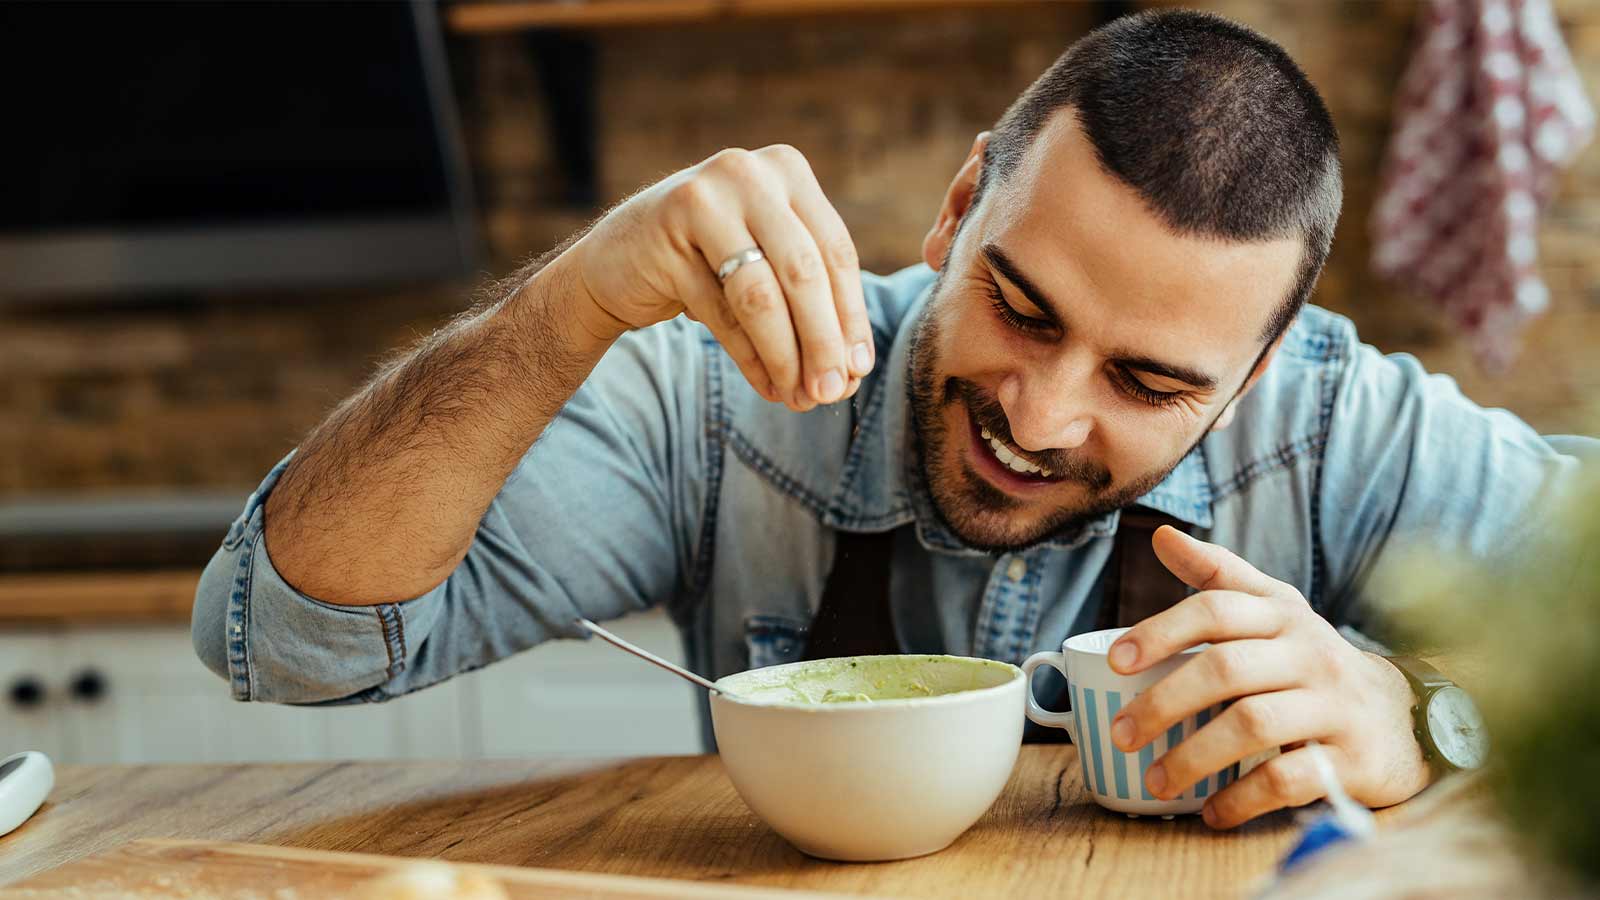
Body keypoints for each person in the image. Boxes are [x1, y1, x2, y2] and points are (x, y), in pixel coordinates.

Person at [191, 10, 1590, 829]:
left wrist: (1424, 718)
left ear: (1263, 364)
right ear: (959, 204)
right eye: (1022, 308)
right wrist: (561, 309)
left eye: (1150, 383)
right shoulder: (708, 388)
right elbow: (285, 644)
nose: (1040, 417)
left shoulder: (1346, 425)